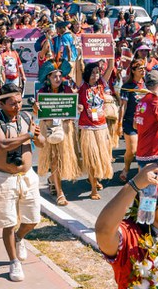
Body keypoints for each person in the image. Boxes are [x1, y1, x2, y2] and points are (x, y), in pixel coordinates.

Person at [0, 83, 46, 283]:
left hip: (27, 176)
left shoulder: (27, 117)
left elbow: (41, 142)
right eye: (13, 103)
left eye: (20, 102)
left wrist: (38, 136)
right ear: (2, 104)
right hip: (4, 178)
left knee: (33, 219)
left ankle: (20, 238)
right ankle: (13, 261)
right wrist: (28, 135)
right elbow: (2, 144)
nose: (18, 106)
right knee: (8, 222)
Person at [35, 60, 81, 206]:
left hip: (65, 129)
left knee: (62, 159)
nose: (58, 79)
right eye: (54, 76)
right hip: (49, 129)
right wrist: (36, 107)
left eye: (60, 76)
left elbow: (73, 107)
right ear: (48, 78)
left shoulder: (67, 90)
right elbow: (37, 112)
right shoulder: (42, 92)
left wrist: (77, 108)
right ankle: (60, 193)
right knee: (54, 159)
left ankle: (52, 180)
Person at [78, 61, 115, 200]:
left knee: (101, 157)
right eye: (92, 72)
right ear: (87, 74)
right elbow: (77, 69)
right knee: (92, 159)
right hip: (88, 128)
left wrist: (110, 49)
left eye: (97, 72)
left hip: (102, 127)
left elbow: (111, 67)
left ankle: (93, 179)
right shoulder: (82, 85)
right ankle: (93, 189)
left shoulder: (101, 85)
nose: (95, 75)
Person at [118, 59, 146, 182]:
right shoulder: (127, 87)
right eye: (140, 68)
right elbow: (123, 106)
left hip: (145, 122)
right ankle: (126, 169)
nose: (143, 70)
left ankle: (141, 172)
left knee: (144, 149)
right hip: (130, 122)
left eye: (144, 68)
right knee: (132, 150)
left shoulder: (147, 84)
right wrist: (119, 124)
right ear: (133, 71)